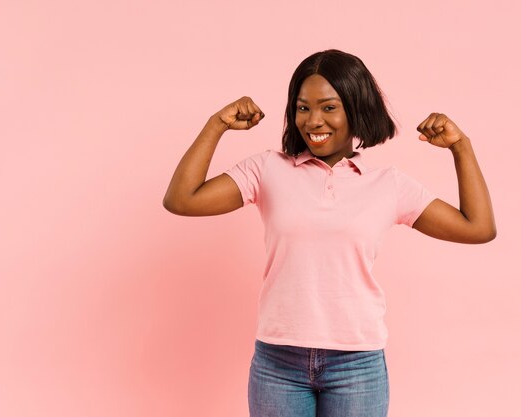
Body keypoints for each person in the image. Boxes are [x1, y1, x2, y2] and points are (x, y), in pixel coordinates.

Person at [162, 49, 496, 417]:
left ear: (356, 109)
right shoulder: (267, 169)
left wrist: (460, 147)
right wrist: (216, 124)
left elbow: (477, 228)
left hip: (357, 365)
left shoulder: (389, 185)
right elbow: (182, 199)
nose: (313, 121)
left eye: (328, 107)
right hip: (278, 363)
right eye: (303, 108)